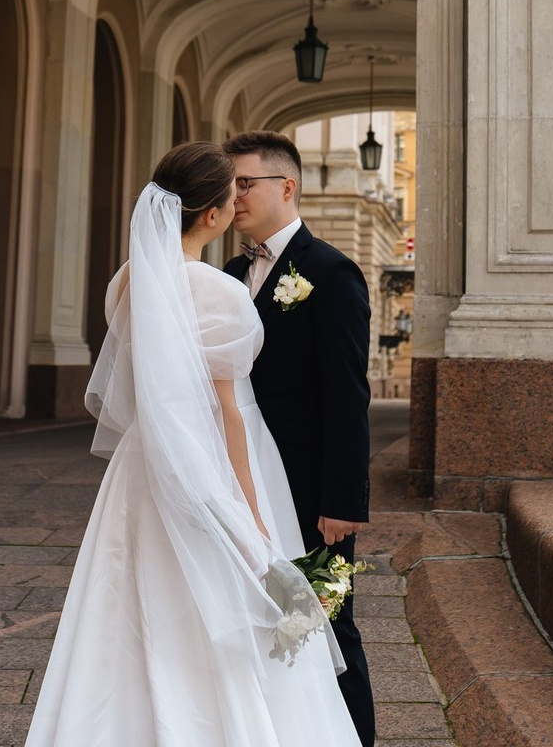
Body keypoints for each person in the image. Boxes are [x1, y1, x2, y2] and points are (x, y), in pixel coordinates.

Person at [25, 142, 360, 747]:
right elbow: (229, 414)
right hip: (217, 463)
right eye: (230, 193)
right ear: (211, 215)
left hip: (143, 467)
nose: (238, 201)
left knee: (128, 605)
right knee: (235, 606)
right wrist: (254, 520)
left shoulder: (126, 283)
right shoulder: (221, 290)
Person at [222, 130, 375, 747]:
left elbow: (348, 396)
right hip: (243, 485)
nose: (232, 197)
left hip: (312, 493)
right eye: (228, 185)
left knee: (328, 624)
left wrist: (344, 501)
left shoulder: (331, 272)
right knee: (258, 624)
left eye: (244, 184)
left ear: (286, 187)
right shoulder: (233, 273)